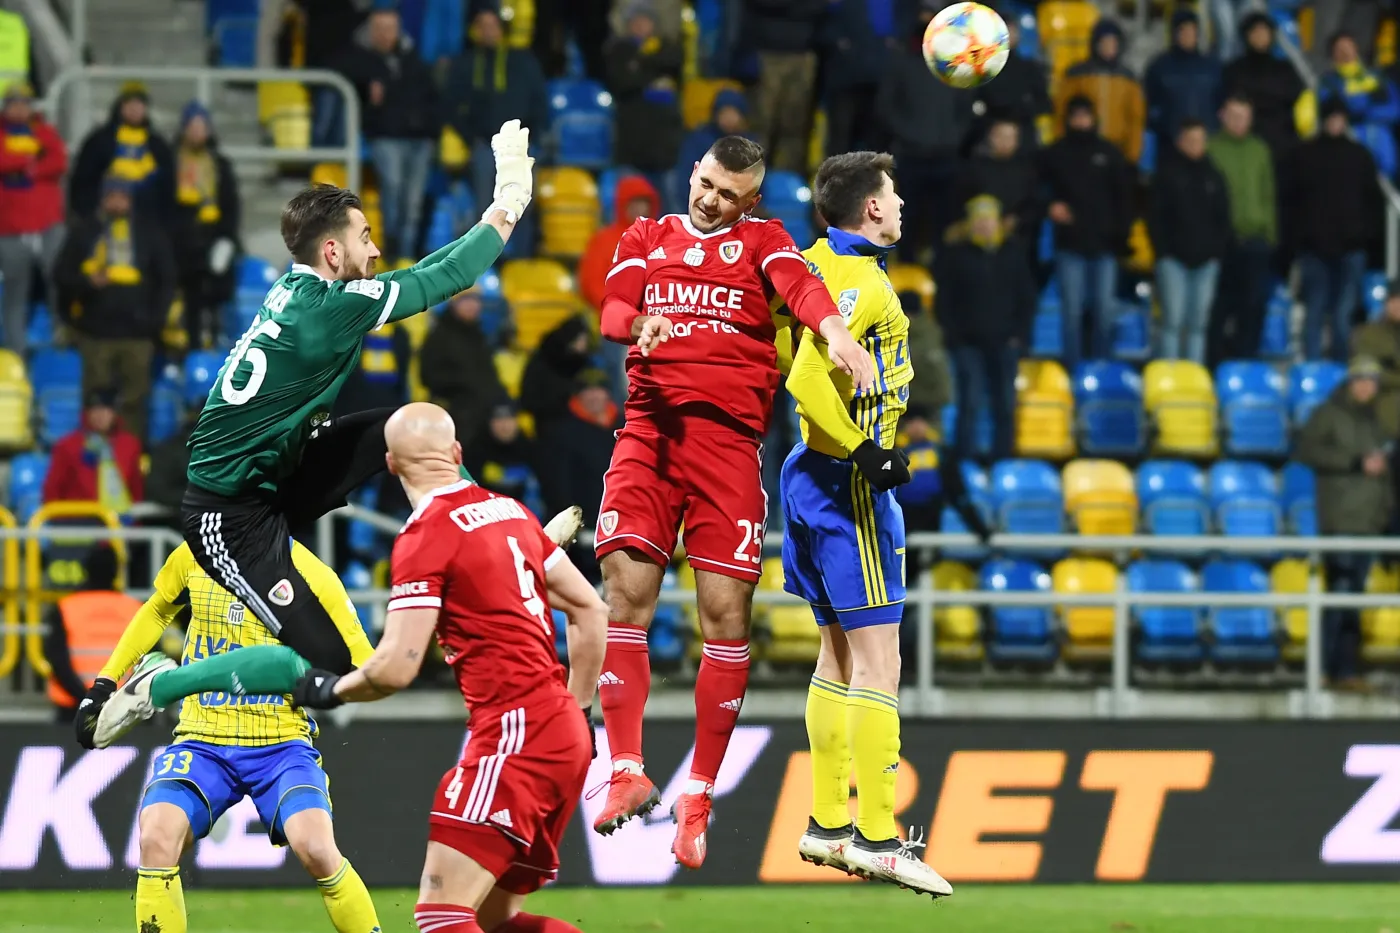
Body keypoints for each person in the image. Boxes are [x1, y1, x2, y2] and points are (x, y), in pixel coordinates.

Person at [96, 403, 603, 933]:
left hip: (477, 736)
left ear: (390, 463)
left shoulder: (412, 541)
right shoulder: (512, 513)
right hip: (561, 729)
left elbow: (391, 667)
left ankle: (160, 686)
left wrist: (326, 689)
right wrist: (580, 710)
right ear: (456, 453)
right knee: (493, 919)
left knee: (434, 912)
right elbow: (591, 610)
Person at [591, 135, 873, 868]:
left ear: (751, 199)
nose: (711, 201)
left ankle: (698, 795)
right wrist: (641, 324)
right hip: (649, 435)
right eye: (707, 184)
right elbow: (613, 310)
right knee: (626, 597)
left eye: (729, 194)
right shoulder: (646, 236)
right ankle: (625, 770)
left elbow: (802, 288)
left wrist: (835, 333)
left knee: (725, 616)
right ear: (693, 171)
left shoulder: (764, 240)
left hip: (728, 448)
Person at [171, 120, 533, 680]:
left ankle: (486, 534)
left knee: (412, 425)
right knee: (333, 668)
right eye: (365, 237)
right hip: (230, 514)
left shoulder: (299, 290)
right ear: (333, 249)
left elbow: (425, 271)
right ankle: (163, 684)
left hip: (278, 474)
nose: (376, 249)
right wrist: (510, 197)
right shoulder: (331, 310)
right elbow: (453, 275)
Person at [774, 150, 950, 897]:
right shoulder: (863, 282)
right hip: (848, 485)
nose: (901, 204)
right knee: (881, 664)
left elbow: (788, 353)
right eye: (893, 194)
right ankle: (880, 836)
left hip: (804, 474)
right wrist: (865, 451)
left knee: (837, 656)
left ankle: (824, 823)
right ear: (872, 208)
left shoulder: (808, 263)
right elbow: (807, 373)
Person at [77, 539, 382, 933]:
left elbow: (365, 664)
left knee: (317, 848)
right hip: (202, 739)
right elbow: (157, 609)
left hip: (281, 742)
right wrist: (105, 682)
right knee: (156, 837)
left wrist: (321, 682)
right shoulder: (195, 554)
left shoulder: (313, 575)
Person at [1294, 356, 1394, 690]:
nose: (1366, 386)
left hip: (1368, 522)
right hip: (1341, 520)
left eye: (1372, 381)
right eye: (1361, 379)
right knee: (1338, 594)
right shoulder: (1328, 413)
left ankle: (1346, 670)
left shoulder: (1375, 420)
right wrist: (1353, 462)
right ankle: (1323, 668)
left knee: (1352, 598)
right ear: (1350, 382)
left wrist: (1385, 514)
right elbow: (1307, 450)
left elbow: (1383, 474)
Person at [53, 175, 176, 440]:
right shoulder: (85, 231)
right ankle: (94, 457)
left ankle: (130, 456)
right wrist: (87, 282)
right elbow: (61, 276)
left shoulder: (149, 232)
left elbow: (167, 280)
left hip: (138, 334)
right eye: (112, 196)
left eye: (123, 197)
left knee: (135, 402)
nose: (118, 203)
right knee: (95, 404)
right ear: (102, 198)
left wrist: (155, 320)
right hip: (96, 334)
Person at [937, 194, 1037, 461]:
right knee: (969, 403)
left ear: (998, 222)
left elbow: (1026, 299)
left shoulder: (1013, 254)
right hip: (967, 344)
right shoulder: (956, 256)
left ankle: (1002, 459)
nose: (984, 225)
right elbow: (944, 301)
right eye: (978, 220)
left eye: (989, 220)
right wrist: (954, 337)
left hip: (1005, 343)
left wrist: (1019, 336)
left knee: (1005, 404)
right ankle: (964, 461)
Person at [1039, 96, 1134, 370]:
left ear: (1094, 119)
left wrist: (1121, 236)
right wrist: (1050, 205)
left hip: (1105, 246)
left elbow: (1124, 198)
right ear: (1068, 120)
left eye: (1085, 116)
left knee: (1104, 311)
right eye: (1076, 116)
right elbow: (1035, 188)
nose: (1081, 121)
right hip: (1070, 245)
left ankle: (1102, 369)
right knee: (1071, 312)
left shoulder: (1109, 153)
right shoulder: (1055, 153)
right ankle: (1073, 370)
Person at [335, 5, 438, 259]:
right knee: (393, 195)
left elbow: (431, 96)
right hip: (386, 137)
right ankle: (391, 255)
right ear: (370, 31)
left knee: (412, 205)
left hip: (420, 140)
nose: (385, 34)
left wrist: (430, 131)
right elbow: (340, 71)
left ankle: (406, 259)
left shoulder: (412, 59)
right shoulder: (359, 59)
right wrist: (367, 87)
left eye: (390, 29)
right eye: (379, 29)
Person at [1289, 99, 1382, 361]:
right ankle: (1312, 370)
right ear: (1323, 120)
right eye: (1331, 117)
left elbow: (1373, 203)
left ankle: (1343, 369)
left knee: (1343, 315)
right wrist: (1299, 241)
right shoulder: (1304, 155)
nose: (1335, 122)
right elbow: (1292, 203)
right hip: (1313, 250)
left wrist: (1366, 239)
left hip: (1351, 248)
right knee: (1315, 312)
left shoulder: (1360, 156)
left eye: (1339, 117)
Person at [1148, 119, 1231, 364]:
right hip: (1172, 260)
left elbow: (1223, 218)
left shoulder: (1214, 175)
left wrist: (1216, 253)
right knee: (1172, 322)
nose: (1196, 145)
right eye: (1191, 140)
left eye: (1200, 140)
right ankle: (1169, 377)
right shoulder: (1166, 174)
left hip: (1206, 262)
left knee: (1198, 325)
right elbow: (1155, 217)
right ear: (1180, 141)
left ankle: (1193, 377)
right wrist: (1163, 252)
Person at [1206, 93, 1277, 366]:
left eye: (1244, 117)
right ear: (1222, 116)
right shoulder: (1211, 149)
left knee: (1253, 306)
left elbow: (1268, 194)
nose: (1239, 122)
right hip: (1222, 241)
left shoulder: (1259, 149)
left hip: (1256, 241)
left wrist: (1270, 234)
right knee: (1219, 307)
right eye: (1234, 116)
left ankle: (1247, 366)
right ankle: (1214, 365)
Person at [0, 81, 66, 355]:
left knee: (59, 287)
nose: (19, 109)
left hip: (48, 224)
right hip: (10, 227)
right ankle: (16, 354)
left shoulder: (45, 131)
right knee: (15, 293)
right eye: (14, 104)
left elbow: (59, 161)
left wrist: (23, 169)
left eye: (24, 103)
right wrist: (33, 161)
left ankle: (62, 348)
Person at [171, 101, 241, 349]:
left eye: (202, 126)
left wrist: (226, 239)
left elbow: (231, 206)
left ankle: (215, 342)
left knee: (215, 294)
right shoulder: (171, 163)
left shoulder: (220, 165)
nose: (197, 132)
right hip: (181, 243)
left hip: (213, 239)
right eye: (193, 126)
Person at [42, 545, 139, 721]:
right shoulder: (135, 608)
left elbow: (58, 661)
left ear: (86, 569)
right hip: (123, 708)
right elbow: (151, 661)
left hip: (73, 709)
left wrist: (87, 698)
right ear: (116, 572)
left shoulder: (65, 608)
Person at [69, 82, 175, 222]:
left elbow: (168, 186)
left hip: (146, 222)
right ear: (120, 106)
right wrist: (90, 214)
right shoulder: (99, 141)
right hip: (103, 219)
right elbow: (82, 180)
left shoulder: (158, 145)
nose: (134, 109)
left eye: (139, 104)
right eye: (129, 103)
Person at [603, 3, 685, 179]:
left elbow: (674, 67)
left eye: (645, 20)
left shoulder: (667, 49)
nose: (640, 25)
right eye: (635, 21)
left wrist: (639, 65)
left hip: (664, 148)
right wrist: (652, 77)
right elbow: (622, 81)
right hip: (631, 143)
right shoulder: (619, 50)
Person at [420, 288, 508, 448]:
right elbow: (429, 376)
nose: (472, 305)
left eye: (475, 300)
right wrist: (465, 384)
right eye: (466, 300)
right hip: (456, 414)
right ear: (454, 303)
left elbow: (490, 376)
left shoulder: (479, 335)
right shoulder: (439, 336)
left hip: (484, 414)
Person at [1055, 18, 1145, 164]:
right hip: (1079, 149)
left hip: (1118, 149)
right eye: (1104, 42)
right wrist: (1060, 148)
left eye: (1113, 43)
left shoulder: (1128, 78)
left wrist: (1132, 157)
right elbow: (1061, 112)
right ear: (1095, 44)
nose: (1109, 47)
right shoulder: (1076, 74)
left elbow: (1135, 120)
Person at [42, 388, 144, 513]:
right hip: (78, 519)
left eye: (106, 410)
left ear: (115, 413)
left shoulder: (130, 445)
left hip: (121, 519)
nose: (100, 415)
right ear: (87, 413)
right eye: (95, 410)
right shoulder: (67, 446)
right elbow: (52, 491)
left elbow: (136, 491)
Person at [1220, 13, 1303, 157]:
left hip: (1282, 140)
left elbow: (1295, 97)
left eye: (1264, 32)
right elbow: (1231, 101)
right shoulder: (1234, 69)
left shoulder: (1285, 68)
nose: (1260, 37)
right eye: (1255, 32)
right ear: (1246, 36)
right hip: (1244, 142)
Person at [1144, 10, 1222, 143]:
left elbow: (1220, 104)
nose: (1188, 35)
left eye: (1192, 30)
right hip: (1170, 143)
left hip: (1207, 141)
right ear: (1174, 33)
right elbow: (1150, 106)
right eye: (1183, 30)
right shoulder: (1159, 67)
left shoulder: (1212, 67)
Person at [1350, 279, 1400, 439]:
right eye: (1393, 300)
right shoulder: (1368, 334)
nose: (1397, 305)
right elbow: (1365, 372)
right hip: (1382, 397)